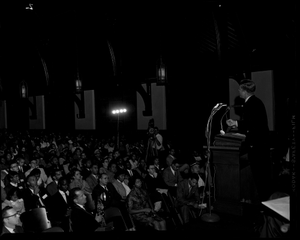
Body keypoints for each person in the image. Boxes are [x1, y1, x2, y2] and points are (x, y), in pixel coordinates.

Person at [226, 79, 273, 203]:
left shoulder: (252, 103)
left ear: (245, 91)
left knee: (261, 179)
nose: (238, 91)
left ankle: (264, 206)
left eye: (240, 89)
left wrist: (236, 123)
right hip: (259, 145)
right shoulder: (255, 102)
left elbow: (252, 125)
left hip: (257, 147)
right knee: (260, 179)